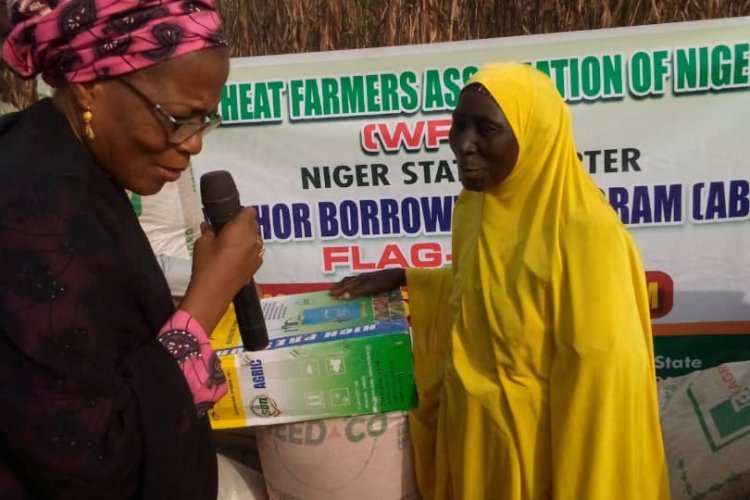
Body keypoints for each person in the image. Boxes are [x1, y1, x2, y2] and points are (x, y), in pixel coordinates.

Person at [330, 62, 670, 499]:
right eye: (458, 125)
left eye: (486, 129)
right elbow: (489, 288)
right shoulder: (474, 207)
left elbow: (603, 390)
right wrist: (407, 277)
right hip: (476, 438)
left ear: (534, 138)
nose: (463, 144)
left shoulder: (586, 232)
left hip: (538, 456)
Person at [0, 1, 264, 499]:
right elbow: (93, 462)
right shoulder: (32, 212)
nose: (194, 144)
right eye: (179, 118)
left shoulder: (71, 163)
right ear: (89, 86)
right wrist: (205, 301)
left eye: (205, 120)